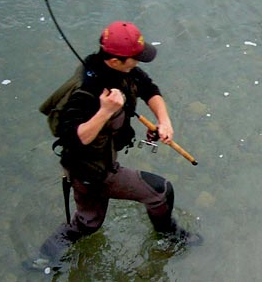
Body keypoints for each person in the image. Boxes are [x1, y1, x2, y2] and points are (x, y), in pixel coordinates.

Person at [30, 21, 198, 270]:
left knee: (88, 223)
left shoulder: (122, 70)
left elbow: (150, 89)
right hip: (92, 170)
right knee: (160, 192)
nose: (139, 62)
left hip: (101, 161)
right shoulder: (85, 93)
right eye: (135, 58)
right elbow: (75, 139)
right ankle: (169, 238)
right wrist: (105, 111)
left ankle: (41, 260)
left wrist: (164, 122)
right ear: (115, 60)